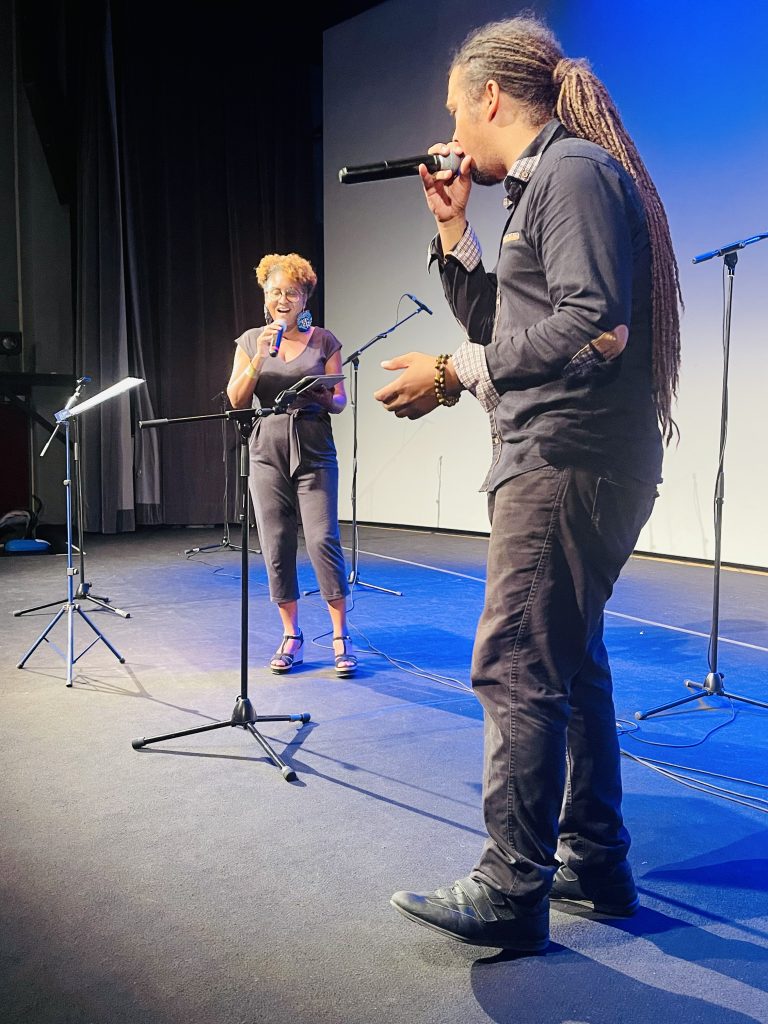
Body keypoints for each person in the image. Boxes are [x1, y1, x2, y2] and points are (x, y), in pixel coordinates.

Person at [374, 15, 681, 951]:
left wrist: (455, 372)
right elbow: (504, 327)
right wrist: (453, 229)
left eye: (452, 111)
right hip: (567, 456)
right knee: (570, 665)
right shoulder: (543, 184)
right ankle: (597, 862)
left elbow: (590, 322)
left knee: (514, 663)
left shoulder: (574, 172)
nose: (449, 134)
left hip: (567, 458)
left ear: (490, 97)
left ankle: (511, 888)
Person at [226, 252, 357, 677]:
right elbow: (236, 399)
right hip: (266, 449)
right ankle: (291, 635)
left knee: (322, 539)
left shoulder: (324, 340)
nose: (282, 300)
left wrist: (324, 396)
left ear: (305, 298)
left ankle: (340, 635)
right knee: (276, 542)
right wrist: (260, 358)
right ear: (265, 296)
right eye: (275, 292)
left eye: (292, 293)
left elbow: (340, 401)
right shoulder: (251, 341)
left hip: (314, 445)